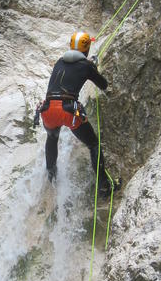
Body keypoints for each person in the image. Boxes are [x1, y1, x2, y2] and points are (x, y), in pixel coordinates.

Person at [37, 31, 121, 194]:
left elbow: (70, 73)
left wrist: (89, 66)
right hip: (68, 110)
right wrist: (93, 67)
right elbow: (103, 85)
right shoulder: (86, 66)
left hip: (47, 109)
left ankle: (52, 177)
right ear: (87, 49)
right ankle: (104, 186)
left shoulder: (59, 62)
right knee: (93, 144)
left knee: (52, 137)